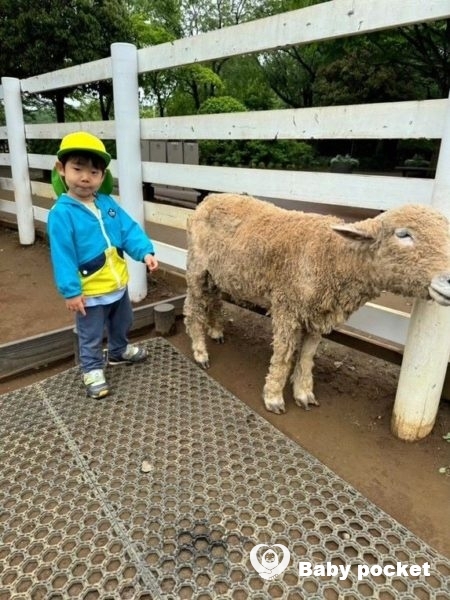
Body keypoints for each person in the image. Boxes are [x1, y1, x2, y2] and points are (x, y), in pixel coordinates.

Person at [47, 131, 158, 399]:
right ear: (61, 169)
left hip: (117, 284)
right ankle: (92, 368)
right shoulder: (61, 213)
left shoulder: (107, 204)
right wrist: (71, 291)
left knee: (124, 321)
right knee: (91, 333)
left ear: (102, 175)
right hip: (90, 291)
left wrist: (144, 251)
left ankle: (118, 351)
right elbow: (62, 255)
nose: (86, 177)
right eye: (77, 169)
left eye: (94, 172)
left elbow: (127, 229)